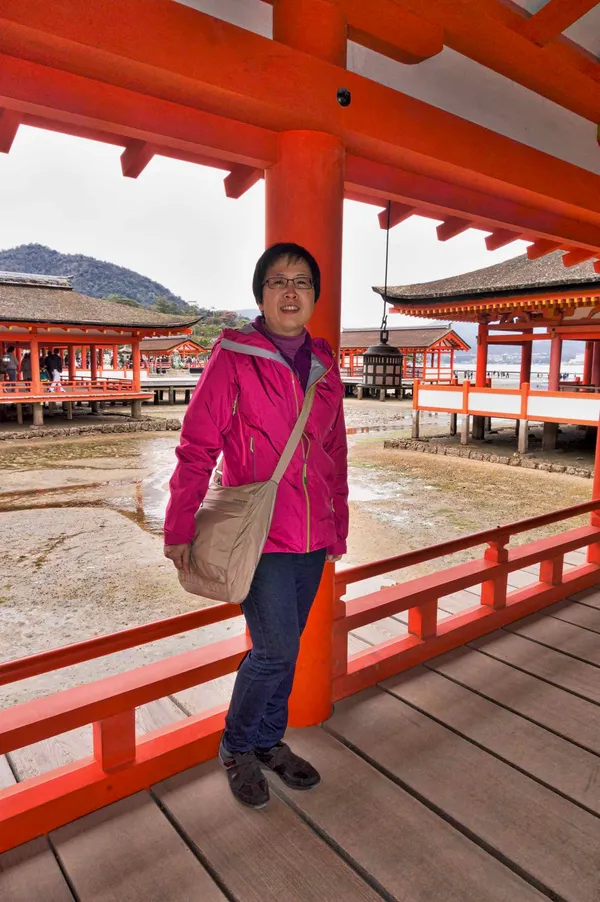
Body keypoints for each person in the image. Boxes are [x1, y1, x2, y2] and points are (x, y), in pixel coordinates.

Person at [164, 242, 349, 810]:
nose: (289, 292)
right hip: (260, 533)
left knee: (286, 651)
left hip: (313, 536)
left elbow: (335, 452)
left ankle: (269, 742)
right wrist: (179, 527)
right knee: (272, 650)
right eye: (277, 282)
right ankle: (237, 748)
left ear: (314, 296)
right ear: (261, 295)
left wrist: (337, 529)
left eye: (301, 282)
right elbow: (197, 446)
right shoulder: (232, 357)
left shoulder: (324, 364)